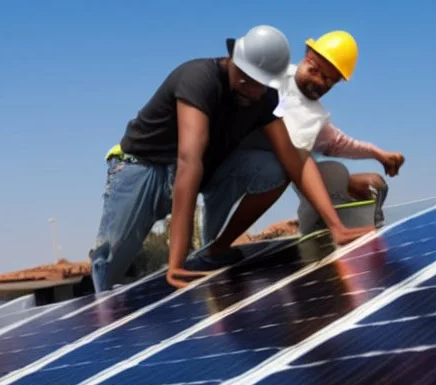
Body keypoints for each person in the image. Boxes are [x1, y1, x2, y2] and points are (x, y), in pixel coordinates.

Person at [89, 25, 373, 293]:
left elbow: (295, 158)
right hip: (143, 167)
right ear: (231, 58)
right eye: (245, 79)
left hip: (201, 171)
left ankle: (216, 249)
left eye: (259, 85)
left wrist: (337, 227)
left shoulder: (264, 98)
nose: (250, 90)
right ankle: (101, 315)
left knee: (275, 168)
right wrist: (176, 262)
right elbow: (189, 161)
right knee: (112, 260)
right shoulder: (199, 79)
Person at [196, 30, 404, 255]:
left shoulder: (314, 116)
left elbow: (337, 143)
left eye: (329, 82)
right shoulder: (270, 77)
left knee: (324, 170)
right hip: (220, 165)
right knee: (208, 245)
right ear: (307, 56)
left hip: (263, 172)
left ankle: (318, 229)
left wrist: (377, 153)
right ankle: (213, 246)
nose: (321, 84)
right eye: (317, 72)